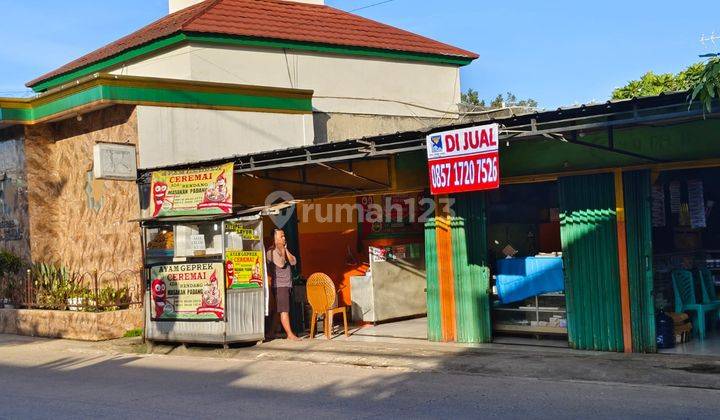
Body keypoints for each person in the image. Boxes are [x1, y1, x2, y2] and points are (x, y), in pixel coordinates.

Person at [267, 228, 300, 340]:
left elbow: (294, 261)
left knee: (279, 310)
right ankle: (290, 334)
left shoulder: (284, 250)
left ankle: (271, 333)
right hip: (280, 285)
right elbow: (281, 263)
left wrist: (285, 250)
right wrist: (282, 250)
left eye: (284, 236)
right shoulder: (271, 252)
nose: (284, 238)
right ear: (275, 239)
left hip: (287, 284)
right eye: (281, 236)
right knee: (284, 310)